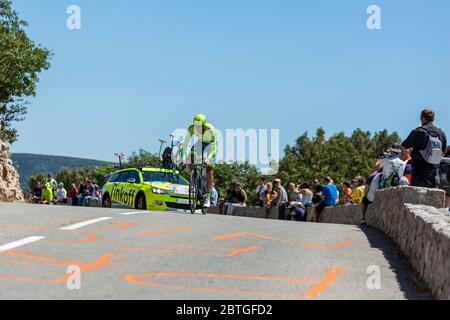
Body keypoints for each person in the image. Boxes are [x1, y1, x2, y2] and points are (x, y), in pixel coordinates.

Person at [401, 109, 447, 188]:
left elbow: (403, 146)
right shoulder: (441, 134)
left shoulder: (418, 131)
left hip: (419, 174)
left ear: (422, 118)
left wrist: (408, 156)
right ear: (433, 119)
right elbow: (443, 152)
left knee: (417, 198)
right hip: (434, 174)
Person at [179, 114, 218, 208]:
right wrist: (181, 158)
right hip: (200, 143)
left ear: (204, 125)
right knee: (190, 157)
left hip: (211, 145)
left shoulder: (210, 130)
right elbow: (185, 145)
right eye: (196, 126)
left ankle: (208, 197)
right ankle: (194, 176)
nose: (197, 128)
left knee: (209, 169)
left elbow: (213, 148)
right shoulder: (191, 128)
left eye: (199, 126)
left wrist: (208, 158)